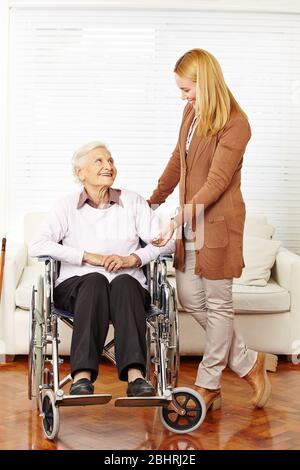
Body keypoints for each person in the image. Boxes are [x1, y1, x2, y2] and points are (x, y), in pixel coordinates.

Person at [148, 48, 271, 410]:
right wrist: (154, 199)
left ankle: (209, 383)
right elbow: (178, 160)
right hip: (190, 219)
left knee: (218, 304)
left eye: (187, 90)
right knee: (189, 298)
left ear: (206, 82)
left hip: (216, 223)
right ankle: (249, 361)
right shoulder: (190, 112)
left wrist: (176, 218)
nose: (183, 97)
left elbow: (216, 182)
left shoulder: (236, 123)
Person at [29, 141, 175, 397]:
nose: (108, 166)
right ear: (80, 173)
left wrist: (134, 259)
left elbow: (167, 243)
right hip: (77, 285)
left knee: (125, 283)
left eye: (111, 161)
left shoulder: (132, 202)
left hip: (126, 286)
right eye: (99, 161)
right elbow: (38, 244)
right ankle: (82, 378)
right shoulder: (66, 205)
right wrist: (87, 257)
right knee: (94, 281)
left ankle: (136, 377)